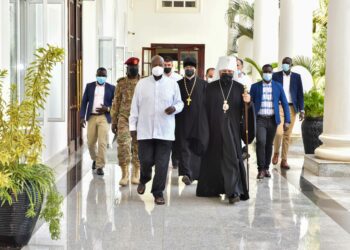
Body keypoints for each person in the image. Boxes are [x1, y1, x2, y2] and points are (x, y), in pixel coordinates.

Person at [196, 56, 254, 204]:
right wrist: (203, 133)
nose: (227, 73)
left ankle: (233, 191)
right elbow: (203, 111)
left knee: (231, 160)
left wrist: (248, 103)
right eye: (224, 70)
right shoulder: (210, 88)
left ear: (233, 71)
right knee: (213, 160)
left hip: (232, 131)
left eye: (230, 70)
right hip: (213, 130)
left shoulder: (240, 88)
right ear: (219, 71)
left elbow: (245, 111)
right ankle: (212, 188)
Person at [129, 55, 184, 205]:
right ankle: (144, 178)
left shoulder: (172, 84)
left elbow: (180, 103)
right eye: (155, 64)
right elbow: (134, 107)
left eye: (160, 64)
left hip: (165, 132)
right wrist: (132, 127)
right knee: (145, 160)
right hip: (145, 131)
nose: (158, 66)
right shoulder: (141, 84)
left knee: (162, 164)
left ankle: (158, 193)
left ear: (164, 66)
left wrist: (174, 108)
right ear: (151, 67)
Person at [250, 64, 291, 180]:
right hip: (260, 120)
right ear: (262, 73)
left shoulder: (278, 86)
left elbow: (284, 103)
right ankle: (260, 169)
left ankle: (266, 168)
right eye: (265, 72)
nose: (267, 74)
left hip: (273, 120)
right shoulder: (255, 87)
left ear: (272, 73)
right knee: (261, 142)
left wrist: (287, 120)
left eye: (269, 72)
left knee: (269, 144)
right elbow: (249, 104)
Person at [175, 57, 207, 185]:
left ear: (195, 68)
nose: (189, 68)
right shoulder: (177, 84)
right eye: (187, 66)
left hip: (198, 121)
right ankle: (187, 173)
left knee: (196, 147)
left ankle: (195, 173)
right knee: (183, 147)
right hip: (181, 121)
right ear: (184, 68)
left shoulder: (204, 84)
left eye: (191, 66)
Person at [111, 57, 141, 186]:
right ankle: (125, 174)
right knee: (123, 145)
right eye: (131, 68)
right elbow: (116, 102)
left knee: (138, 146)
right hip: (124, 118)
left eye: (135, 67)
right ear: (127, 69)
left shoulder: (144, 82)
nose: (133, 69)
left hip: (140, 119)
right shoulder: (121, 83)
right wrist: (113, 121)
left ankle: (136, 172)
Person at [80, 67, 115, 176]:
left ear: (106, 77)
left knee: (102, 142)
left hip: (104, 117)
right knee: (90, 142)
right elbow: (84, 102)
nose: (101, 77)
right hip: (92, 117)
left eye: (103, 75)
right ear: (96, 75)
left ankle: (100, 166)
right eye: (99, 75)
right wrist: (82, 117)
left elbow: (116, 104)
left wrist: (108, 109)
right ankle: (95, 159)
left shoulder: (111, 88)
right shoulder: (89, 86)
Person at [272, 57, 305, 169]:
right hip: (279, 106)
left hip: (292, 108)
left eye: (287, 63)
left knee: (287, 135)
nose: (285, 65)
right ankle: (276, 152)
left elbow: (300, 94)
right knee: (279, 132)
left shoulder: (296, 77)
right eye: (283, 63)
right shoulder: (275, 76)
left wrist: (302, 110)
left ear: (291, 65)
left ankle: (284, 160)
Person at [163, 56, 182, 168]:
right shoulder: (159, 77)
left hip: (176, 112)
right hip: (163, 113)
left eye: (169, 65)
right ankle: (164, 159)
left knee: (176, 137)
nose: (167, 67)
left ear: (172, 66)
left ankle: (175, 159)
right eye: (165, 65)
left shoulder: (178, 78)